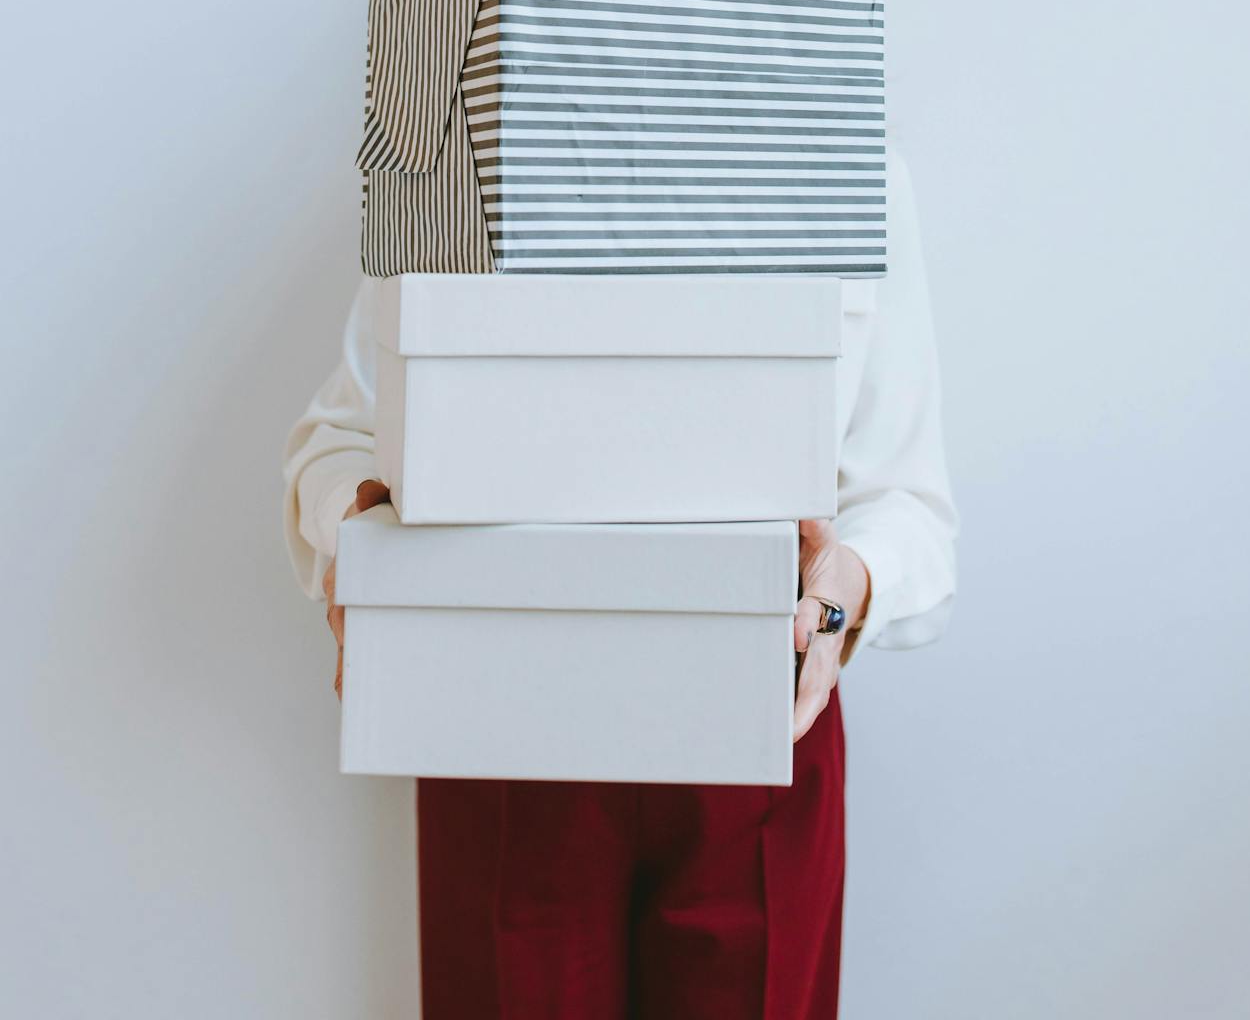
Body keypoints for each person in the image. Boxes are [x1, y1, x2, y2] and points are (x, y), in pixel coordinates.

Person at [284, 133, 956, 1018]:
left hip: (760, 717)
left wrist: (841, 596)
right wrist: (365, 546)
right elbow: (341, 437)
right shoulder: (463, 147)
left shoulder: (850, 165)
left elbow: (906, 499)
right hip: (501, 709)